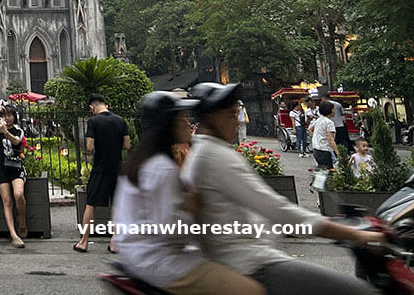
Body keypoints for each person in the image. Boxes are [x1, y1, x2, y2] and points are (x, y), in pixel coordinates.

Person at [182, 82, 382, 294]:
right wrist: (352, 234)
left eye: (237, 114)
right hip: (252, 263)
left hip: (249, 257)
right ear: (211, 117)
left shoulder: (204, 152)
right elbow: (278, 210)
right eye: (231, 115)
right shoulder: (215, 157)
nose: (237, 121)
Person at [114, 92, 265, 295]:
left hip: (139, 255)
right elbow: (171, 230)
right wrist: (193, 207)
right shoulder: (163, 169)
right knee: (251, 290)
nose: (188, 123)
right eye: (182, 119)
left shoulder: (140, 163)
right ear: (168, 125)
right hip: (162, 261)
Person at [75, 93, 130, 253]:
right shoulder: (121, 120)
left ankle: (84, 241)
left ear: (91, 107)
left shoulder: (93, 121)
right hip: (117, 168)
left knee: (91, 203)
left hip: (100, 168)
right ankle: (114, 242)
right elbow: (127, 145)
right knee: (117, 204)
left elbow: (90, 146)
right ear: (106, 104)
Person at [0, 104, 27, 248]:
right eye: (5, 115)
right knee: (7, 201)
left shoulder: (18, 130)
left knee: (18, 194)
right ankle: (14, 234)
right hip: (1, 169)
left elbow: (16, 141)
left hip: (15, 167)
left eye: (10, 115)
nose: (7, 118)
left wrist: (5, 132)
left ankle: (21, 219)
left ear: (14, 116)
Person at [309, 101, 338, 170]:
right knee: (328, 171)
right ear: (329, 110)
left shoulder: (319, 119)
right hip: (325, 150)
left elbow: (310, 129)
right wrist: (338, 152)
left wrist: (316, 138)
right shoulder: (329, 122)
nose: (334, 111)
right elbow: (330, 139)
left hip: (316, 148)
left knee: (322, 170)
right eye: (333, 109)